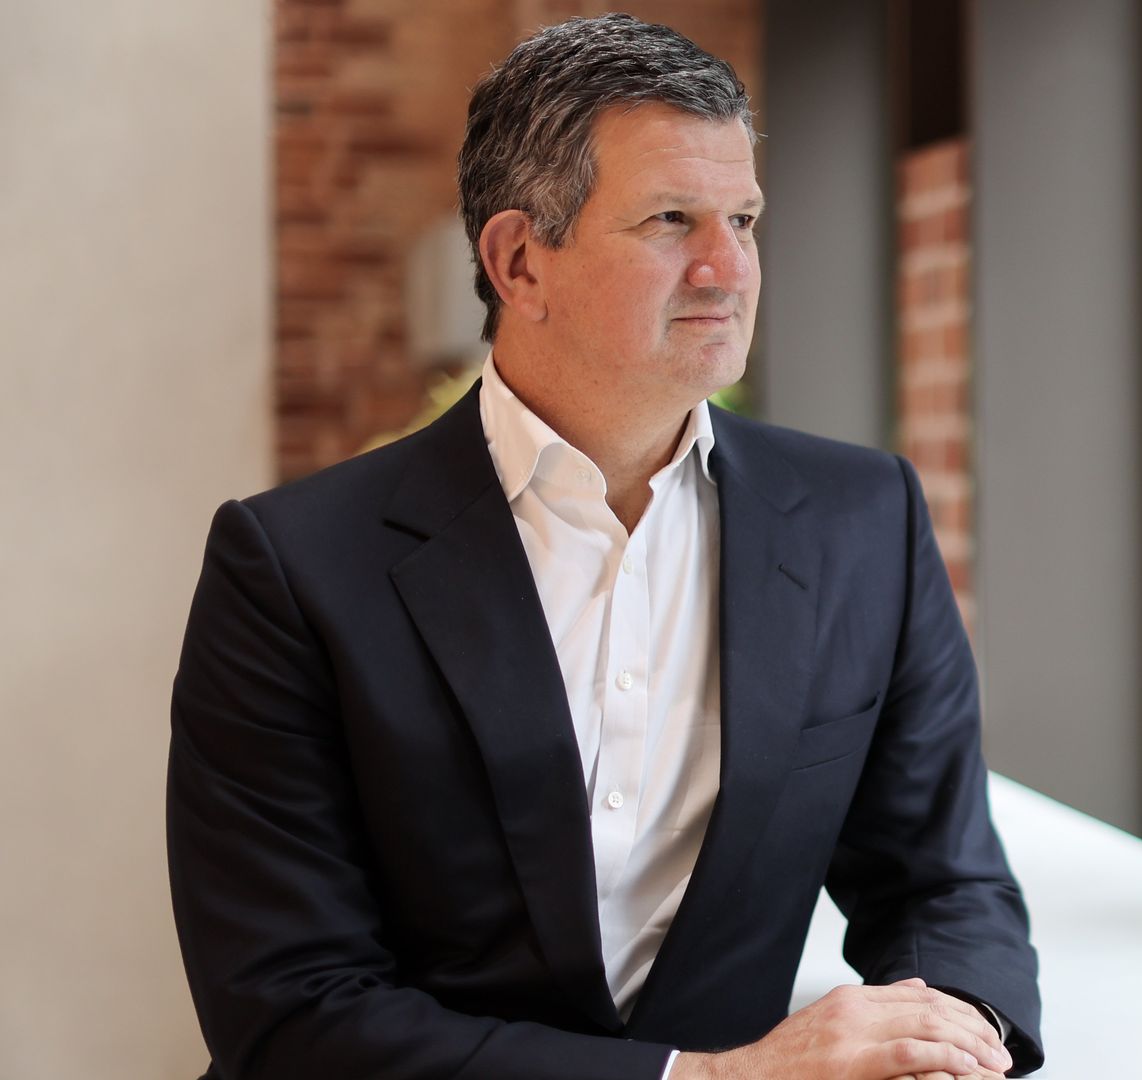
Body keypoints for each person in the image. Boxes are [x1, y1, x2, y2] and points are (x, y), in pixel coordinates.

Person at [166, 15, 1041, 1080]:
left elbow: (944, 883)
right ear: (519, 261)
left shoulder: (867, 520)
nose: (729, 267)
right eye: (673, 220)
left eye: (745, 220)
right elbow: (288, 1009)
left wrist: (952, 1036)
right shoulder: (291, 568)